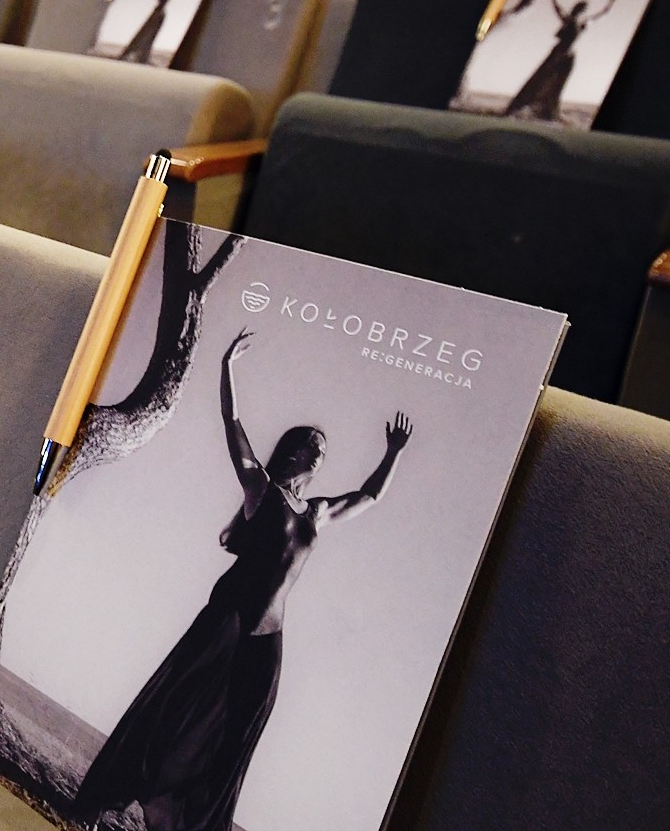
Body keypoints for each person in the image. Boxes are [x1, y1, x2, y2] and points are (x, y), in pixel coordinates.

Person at [70, 329, 414, 831]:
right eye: (313, 444)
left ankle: (174, 814)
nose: (320, 451)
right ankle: (121, 793)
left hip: (269, 634)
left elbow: (369, 496)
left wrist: (394, 451)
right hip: (228, 618)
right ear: (294, 450)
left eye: (324, 448)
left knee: (237, 733)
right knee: (176, 705)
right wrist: (227, 366)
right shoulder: (260, 488)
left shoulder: (317, 512)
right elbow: (232, 422)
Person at [504, 0, 617, 122]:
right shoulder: (568, 19)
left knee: (557, 85)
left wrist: (611, 2)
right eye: (580, 8)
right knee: (542, 80)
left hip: (568, 57)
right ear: (576, 9)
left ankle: (547, 110)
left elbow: (600, 15)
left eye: (583, 9)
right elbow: (556, 6)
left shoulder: (582, 23)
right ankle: (527, 107)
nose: (581, 11)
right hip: (558, 54)